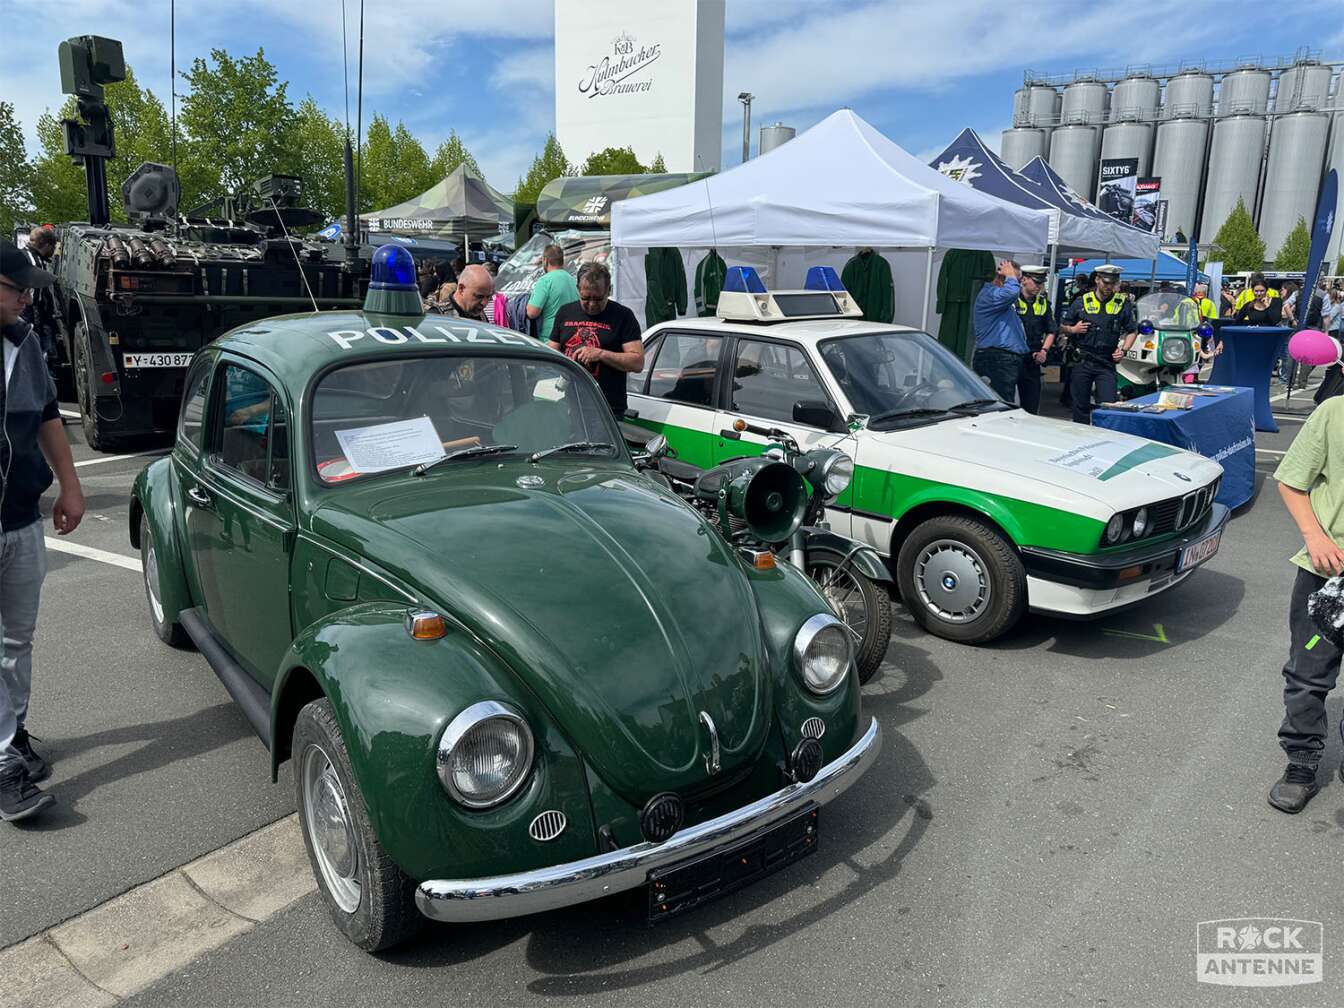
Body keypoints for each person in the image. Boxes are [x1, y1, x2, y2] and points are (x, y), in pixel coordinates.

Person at [0, 241, 86, 823]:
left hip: (20, 516)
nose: (29, 297)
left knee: (16, 639)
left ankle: (13, 733)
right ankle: (2, 761)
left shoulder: (25, 342)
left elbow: (50, 415)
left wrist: (71, 485)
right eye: (17, 287)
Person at [1267, 393, 1344, 812]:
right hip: (1328, 575)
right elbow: (1292, 483)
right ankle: (1301, 763)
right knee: (1308, 676)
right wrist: (1315, 536)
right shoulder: (1333, 413)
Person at [548, 262, 644, 416]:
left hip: (607, 409)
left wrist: (600, 354)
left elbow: (637, 362)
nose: (592, 305)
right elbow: (551, 353)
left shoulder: (623, 316)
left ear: (609, 290)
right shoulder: (565, 312)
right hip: (569, 406)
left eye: (598, 299)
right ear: (578, 289)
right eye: (585, 298)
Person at [1059, 265, 1137, 423]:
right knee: (1079, 407)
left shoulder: (1122, 303)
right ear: (1097, 280)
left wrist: (1123, 350)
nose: (1109, 287)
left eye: (1113, 283)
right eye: (1105, 282)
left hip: (1106, 361)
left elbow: (1132, 331)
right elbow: (1062, 327)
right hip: (1082, 360)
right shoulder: (1082, 301)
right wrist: (1073, 329)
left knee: (1109, 406)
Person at [970, 259, 1027, 404]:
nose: (1019, 284)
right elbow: (1011, 293)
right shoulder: (990, 295)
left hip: (1002, 359)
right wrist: (1010, 276)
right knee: (1000, 405)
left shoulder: (998, 298)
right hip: (996, 360)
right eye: (1017, 280)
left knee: (1004, 403)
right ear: (1003, 279)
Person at [1014, 266, 1056, 414]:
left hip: (1033, 360)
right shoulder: (1012, 300)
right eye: (1036, 282)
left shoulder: (1043, 303)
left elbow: (1051, 331)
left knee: (1031, 406)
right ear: (1024, 280)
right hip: (1012, 358)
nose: (1039, 286)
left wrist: (1044, 351)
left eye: (1041, 283)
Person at [19, 227, 60, 368]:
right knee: (37, 349)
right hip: (31, 314)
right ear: (47, 244)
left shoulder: (28, 256)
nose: (54, 250)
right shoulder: (34, 262)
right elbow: (34, 296)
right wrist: (40, 323)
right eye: (54, 246)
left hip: (28, 314)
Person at [525, 244, 579, 345]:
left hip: (550, 340)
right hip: (572, 336)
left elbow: (532, 313)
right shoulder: (572, 280)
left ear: (545, 260)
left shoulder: (545, 281)